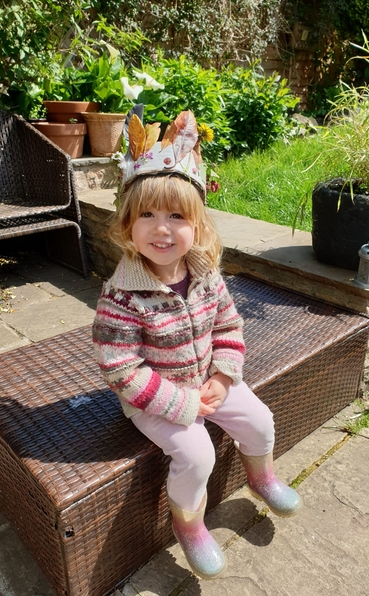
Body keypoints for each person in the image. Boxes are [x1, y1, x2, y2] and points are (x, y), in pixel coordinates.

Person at [92, 110, 301, 580]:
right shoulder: (122, 295)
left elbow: (229, 325)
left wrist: (225, 377)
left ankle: (261, 476)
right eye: (146, 214)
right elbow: (120, 368)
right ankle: (188, 521)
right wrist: (181, 403)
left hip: (211, 382)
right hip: (152, 399)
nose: (161, 229)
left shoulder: (205, 274)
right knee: (197, 454)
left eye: (176, 216)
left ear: (198, 225)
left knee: (260, 419)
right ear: (127, 225)